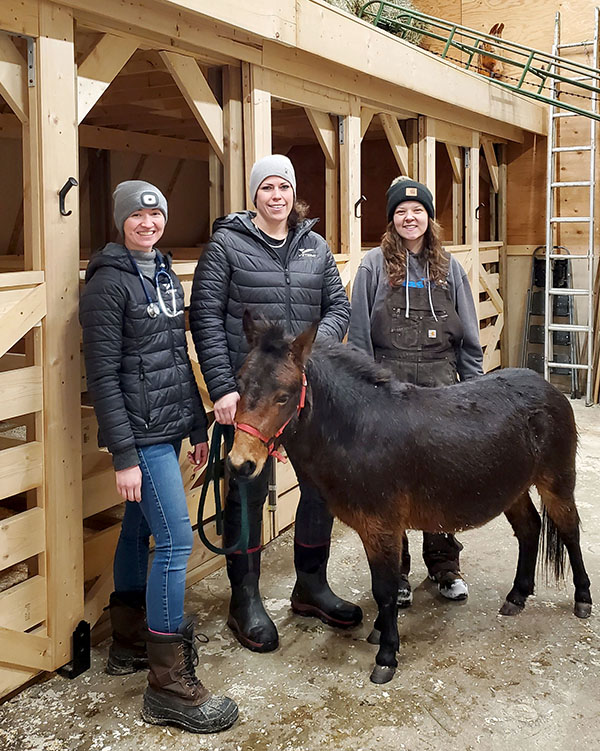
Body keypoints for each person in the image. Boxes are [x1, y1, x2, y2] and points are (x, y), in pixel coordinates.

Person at [79, 180, 238, 734]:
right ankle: (167, 685)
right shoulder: (107, 283)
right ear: (121, 220)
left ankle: (128, 642)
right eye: (138, 215)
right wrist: (124, 454)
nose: (148, 222)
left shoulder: (167, 272)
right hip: (140, 437)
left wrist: (195, 424)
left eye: (155, 214)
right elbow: (102, 375)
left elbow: (177, 356)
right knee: (175, 542)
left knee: (133, 532)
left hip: (170, 425)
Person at [189, 155, 362, 653]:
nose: (276, 196)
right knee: (246, 490)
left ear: (293, 195)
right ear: (255, 196)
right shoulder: (227, 246)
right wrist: (223, 387)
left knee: (319, 490)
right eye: (267, 187)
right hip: (252, 398)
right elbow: (205, 316)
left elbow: (337, 307)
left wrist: (306, 359)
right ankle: (243, 601)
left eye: (283, 187)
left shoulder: (315, 246)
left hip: (300, 397)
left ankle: (311, 586)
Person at [348, 176, 484, 607]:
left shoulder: (450, 267)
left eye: (418, 210)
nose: (410, 217)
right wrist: (364, 394)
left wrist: (475, 389)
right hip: (389, 386)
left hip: (441, 384)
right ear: (391, 220)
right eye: (401, 212)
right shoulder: (372, 265)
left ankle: (444, 565)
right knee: (391, 483)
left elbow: (470, 335)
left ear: (429, 217)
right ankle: (398, 572)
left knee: (440, 477)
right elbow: (358, 338)